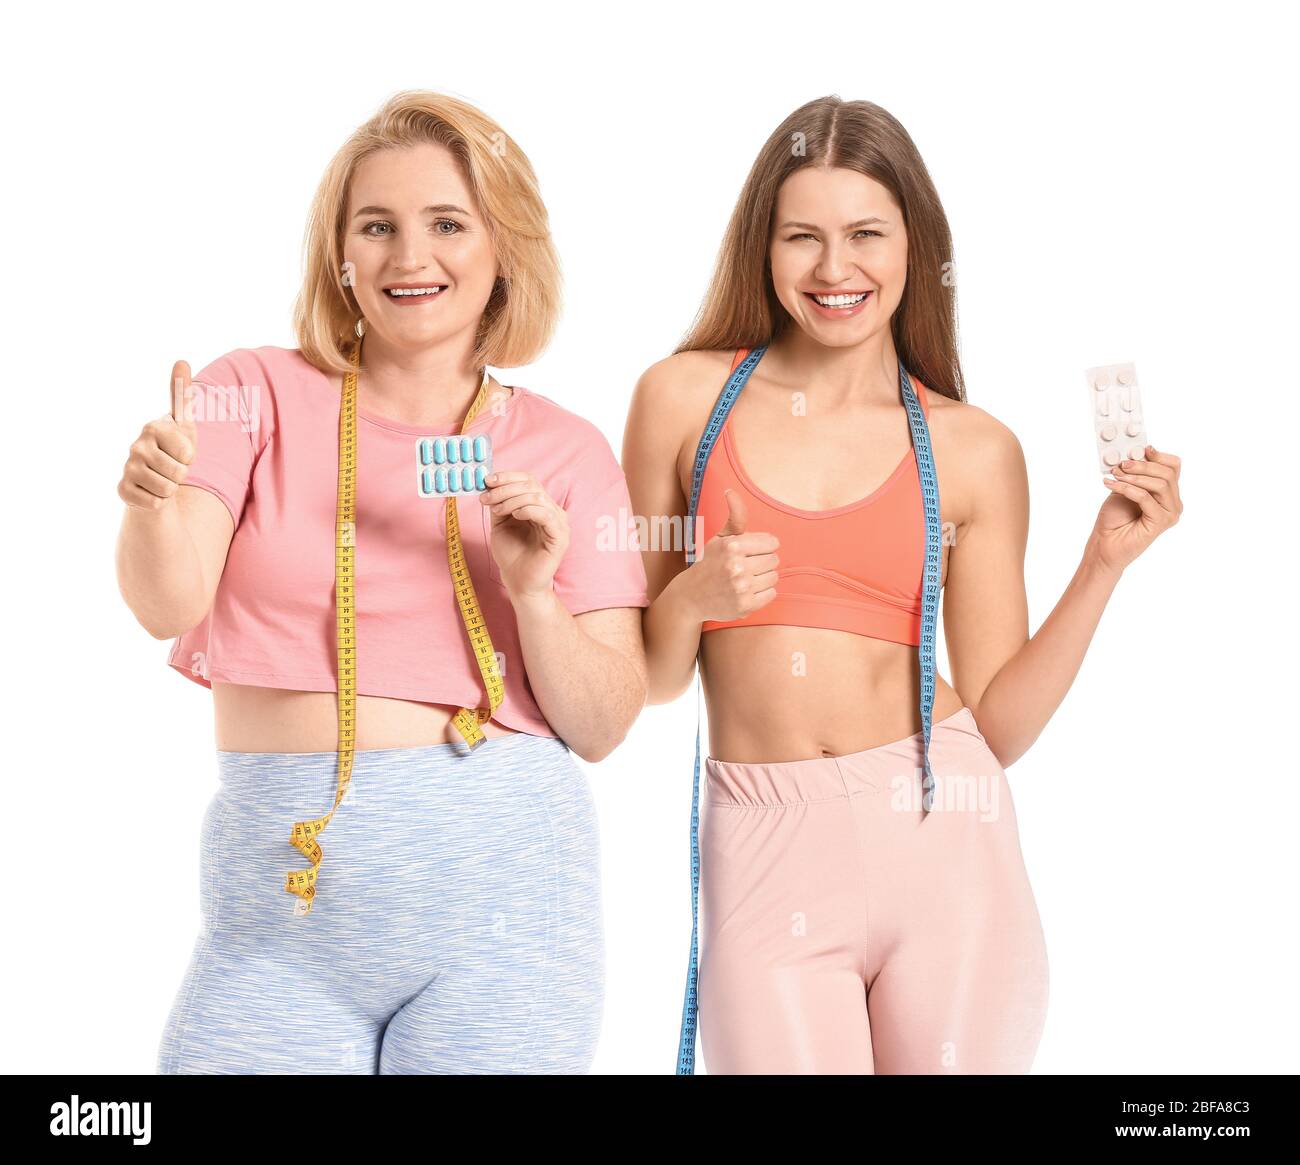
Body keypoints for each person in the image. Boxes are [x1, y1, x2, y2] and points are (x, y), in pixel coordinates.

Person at [622, 95, 1182, 1074]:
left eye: (865, 235)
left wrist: (1102, 563)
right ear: (763, 246)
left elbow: (998, 725)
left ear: (915, 247)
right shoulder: (681, 399)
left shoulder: (972, 450)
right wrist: (691, 599)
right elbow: (645, 676)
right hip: (761, 841)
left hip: (942, 844)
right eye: (803, 237)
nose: (834, 271)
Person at [116, 90, 648, 1074]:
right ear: (340, 253)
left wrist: (533, 594)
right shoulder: (252, 390)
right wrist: (152, 506)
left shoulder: (564, 449)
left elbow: (608, 720)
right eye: (377, 226)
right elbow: (167, 601)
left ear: (504, 248)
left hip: (507, 929)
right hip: (278, 932)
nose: (411, 257)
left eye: (447, 223)